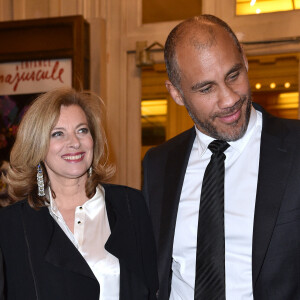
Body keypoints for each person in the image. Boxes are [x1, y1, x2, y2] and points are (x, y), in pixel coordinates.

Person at [142, 14, 300, 300]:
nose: (228, 99)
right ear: (176, 93)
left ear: (246, 62)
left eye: (233, 75)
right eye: (206, 88)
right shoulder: (158, 164)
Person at [0, 87, 158, 300]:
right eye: (58, 134)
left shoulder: (132, 205)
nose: (74, 142)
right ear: (37, 146)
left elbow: (152, 287)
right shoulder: (11, 224)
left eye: (82, 130)